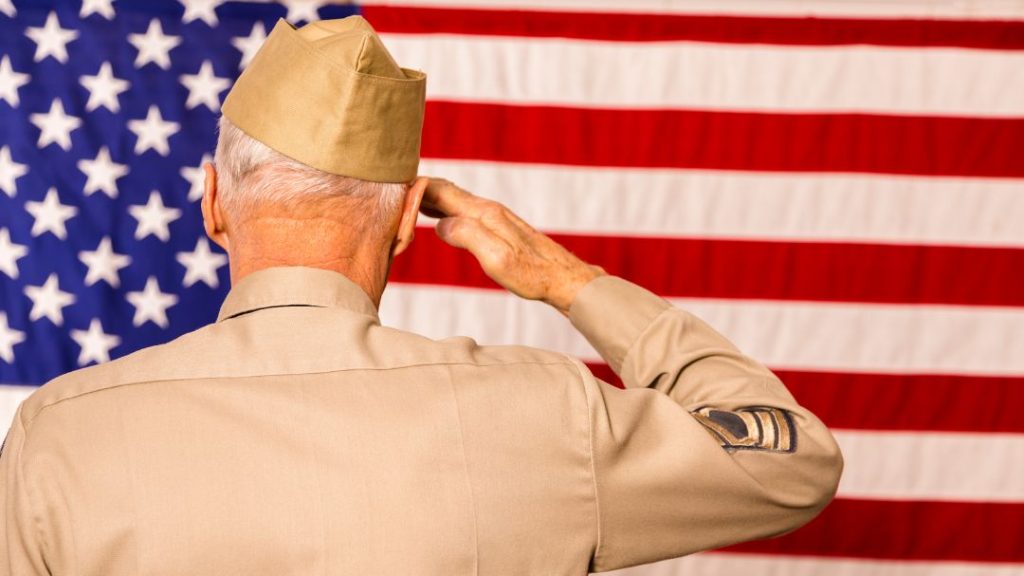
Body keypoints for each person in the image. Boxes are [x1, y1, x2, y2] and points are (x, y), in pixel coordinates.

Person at [0, 15, 842, 575]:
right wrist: (564, 279)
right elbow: (793, 462)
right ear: (407, 220)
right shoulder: (538, 411)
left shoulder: (59, 434)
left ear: (213, 202)